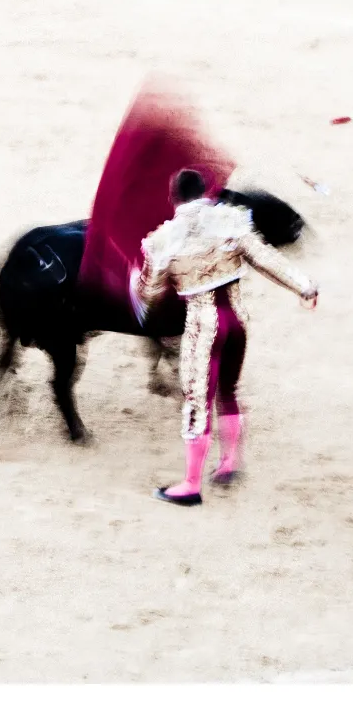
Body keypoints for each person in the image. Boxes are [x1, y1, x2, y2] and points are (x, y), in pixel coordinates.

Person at [129, 169, 318, 507]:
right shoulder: (230, 221)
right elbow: (265, 259)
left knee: (196, 401)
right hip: (236, 321)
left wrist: (136, 280)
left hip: (205, 326)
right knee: (228, 391)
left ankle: (190, 484)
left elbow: (149, 293)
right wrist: (303, 287)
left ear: (174, 198)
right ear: (205, 192)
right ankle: (230, 462)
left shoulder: (164, 239)